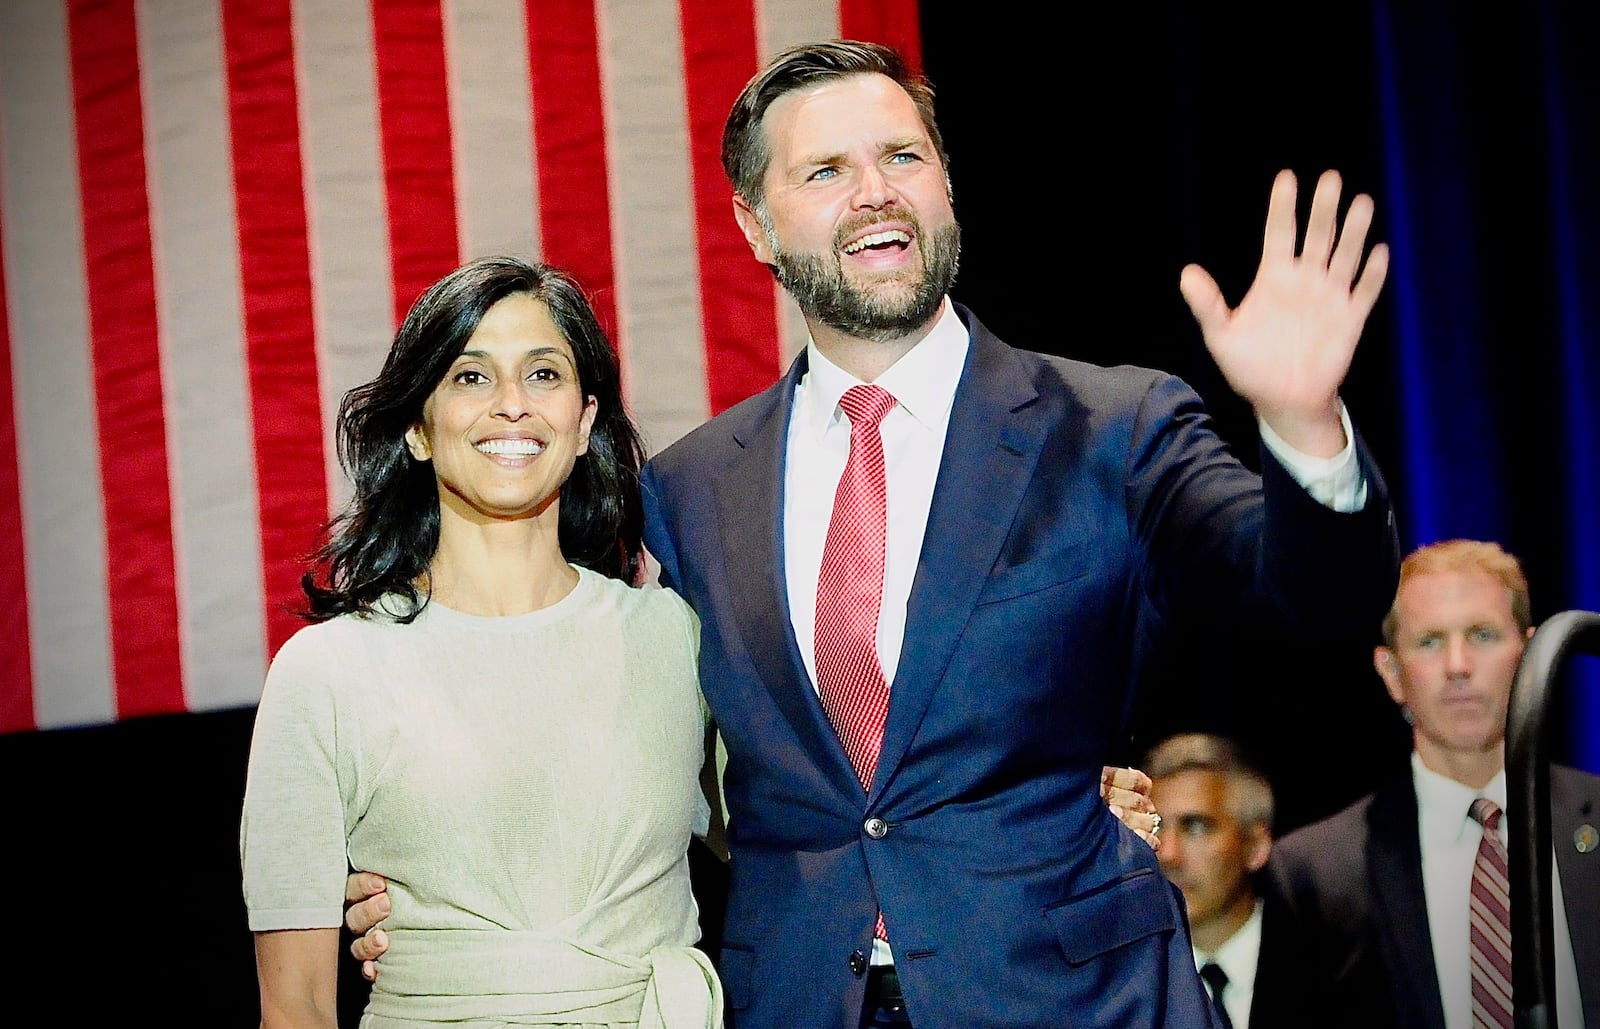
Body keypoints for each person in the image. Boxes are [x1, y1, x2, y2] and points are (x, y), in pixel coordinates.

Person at [349, 39, 1401, 1027]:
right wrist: (440, 878)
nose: (874, 191)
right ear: (756, 226)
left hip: (1075, 997)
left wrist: (1304, 430)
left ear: (944, 185)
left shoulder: (1112, 428)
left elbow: (1320, 600)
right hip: (801, 996)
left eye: (902, 155)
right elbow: (611, 736)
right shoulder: (687, 488)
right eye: (824, 172)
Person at [239, 256, 725, 1027]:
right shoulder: (326, 674)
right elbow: (294, 1007)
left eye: (543, 373)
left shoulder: (676, 637)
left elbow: (802, 834)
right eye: (470, 377)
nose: (511, 406)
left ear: (584, 421)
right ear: (418, 430)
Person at [1268, 539, 1600, 1028]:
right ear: (1391, 673)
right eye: (1430, 641)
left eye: (1483, 635)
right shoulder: (1315, 874)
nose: (1458, 666)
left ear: (1530, 655)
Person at [1143, 732, 1306, 1029]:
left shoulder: (1324, 964)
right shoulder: (1125, 985)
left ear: (1255, 846)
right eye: (1155, 827)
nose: (1167, 854)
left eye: (1195, 827)